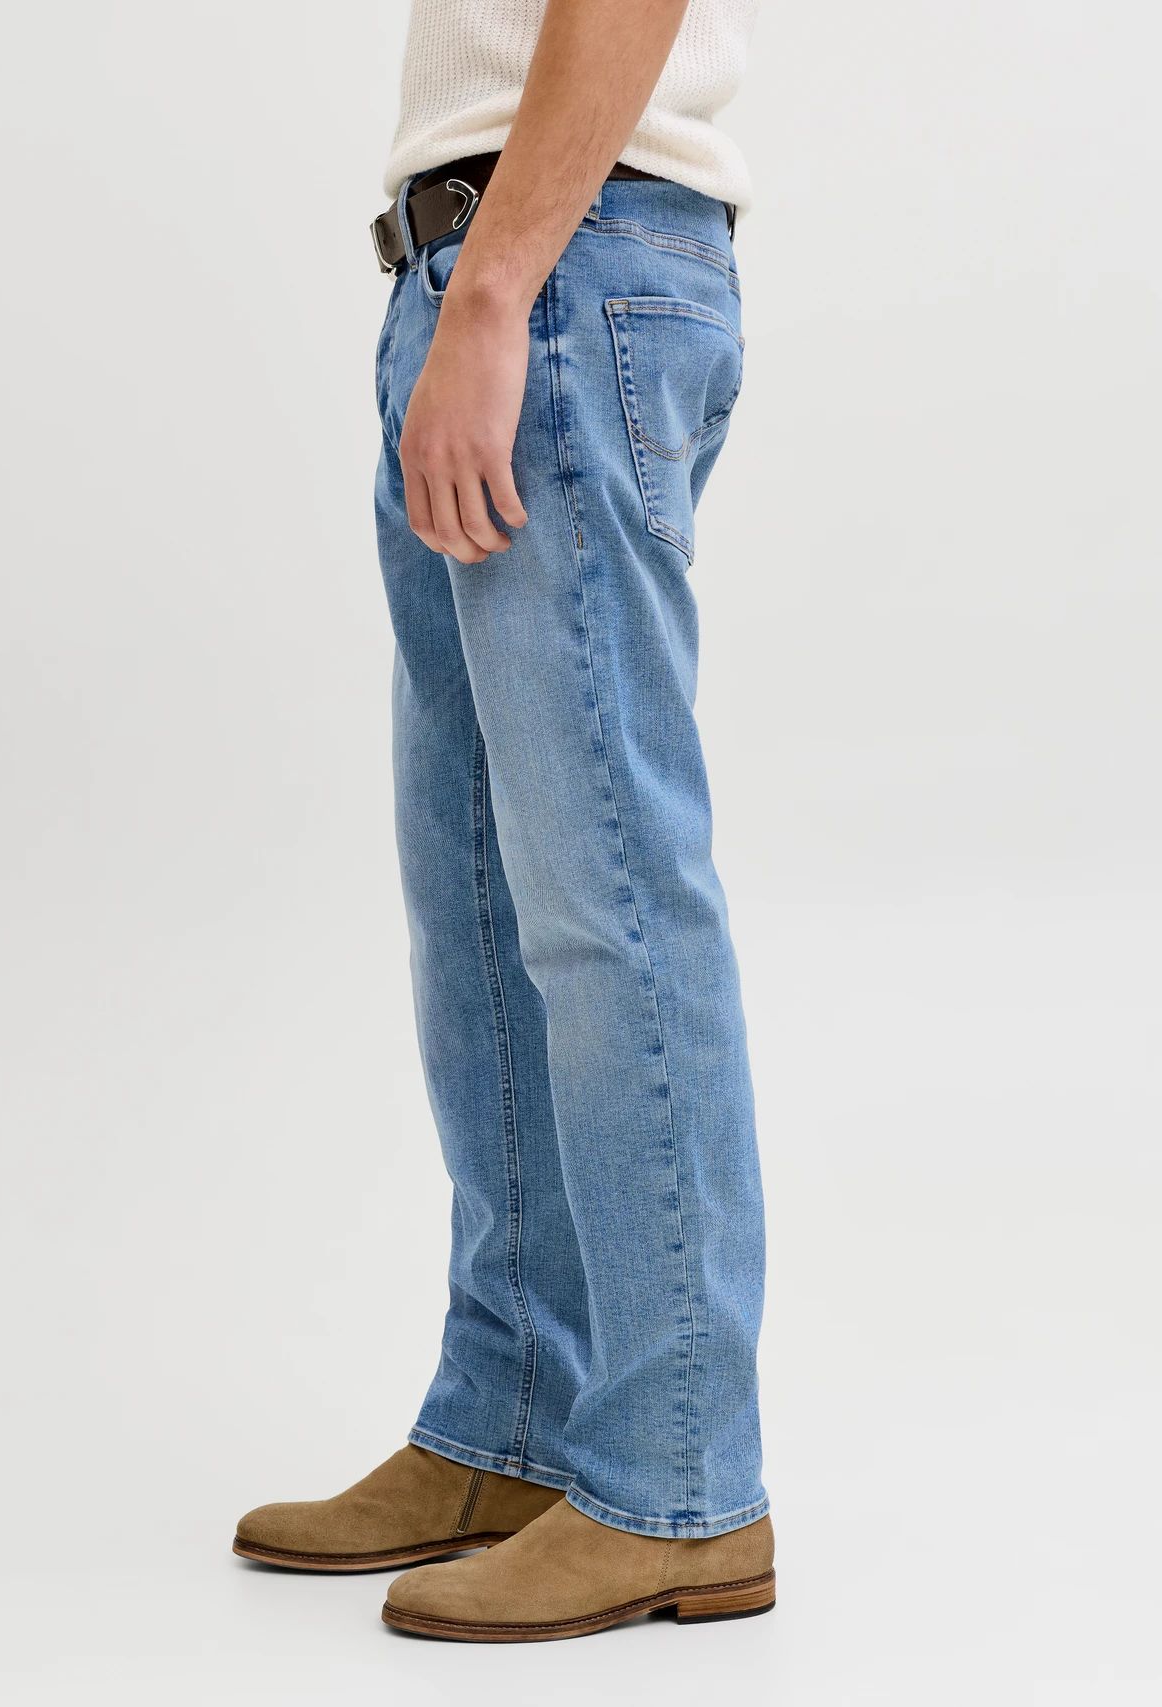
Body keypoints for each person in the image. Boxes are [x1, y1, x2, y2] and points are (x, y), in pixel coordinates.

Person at [234, 0, 773, 1643]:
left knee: (610, 895)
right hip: (494, 269)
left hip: (553, 270)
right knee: (476, 900)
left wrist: (494, 291)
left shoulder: (526, 285)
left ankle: (679, 1480)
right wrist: (459, 292)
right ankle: (515, 1421)